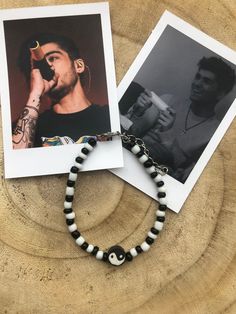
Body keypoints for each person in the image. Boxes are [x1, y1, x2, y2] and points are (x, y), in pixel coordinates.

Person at [120, 57, 235, 183]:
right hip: (129, 157)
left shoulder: (215, 134)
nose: (197, 83)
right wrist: (138, 111)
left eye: (206, 81)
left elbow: (184, 173)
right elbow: (131, 134)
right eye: (197, 77)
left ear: (221, 93)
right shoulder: (168, 100)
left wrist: (167, 135)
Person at [12, 33, 110, 148]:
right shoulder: (26, 127)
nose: (47, 66)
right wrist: (35, 94)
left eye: (53, 58)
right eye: (39, 65)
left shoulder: (109, 116)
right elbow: (15, 161)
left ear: (78, 66)